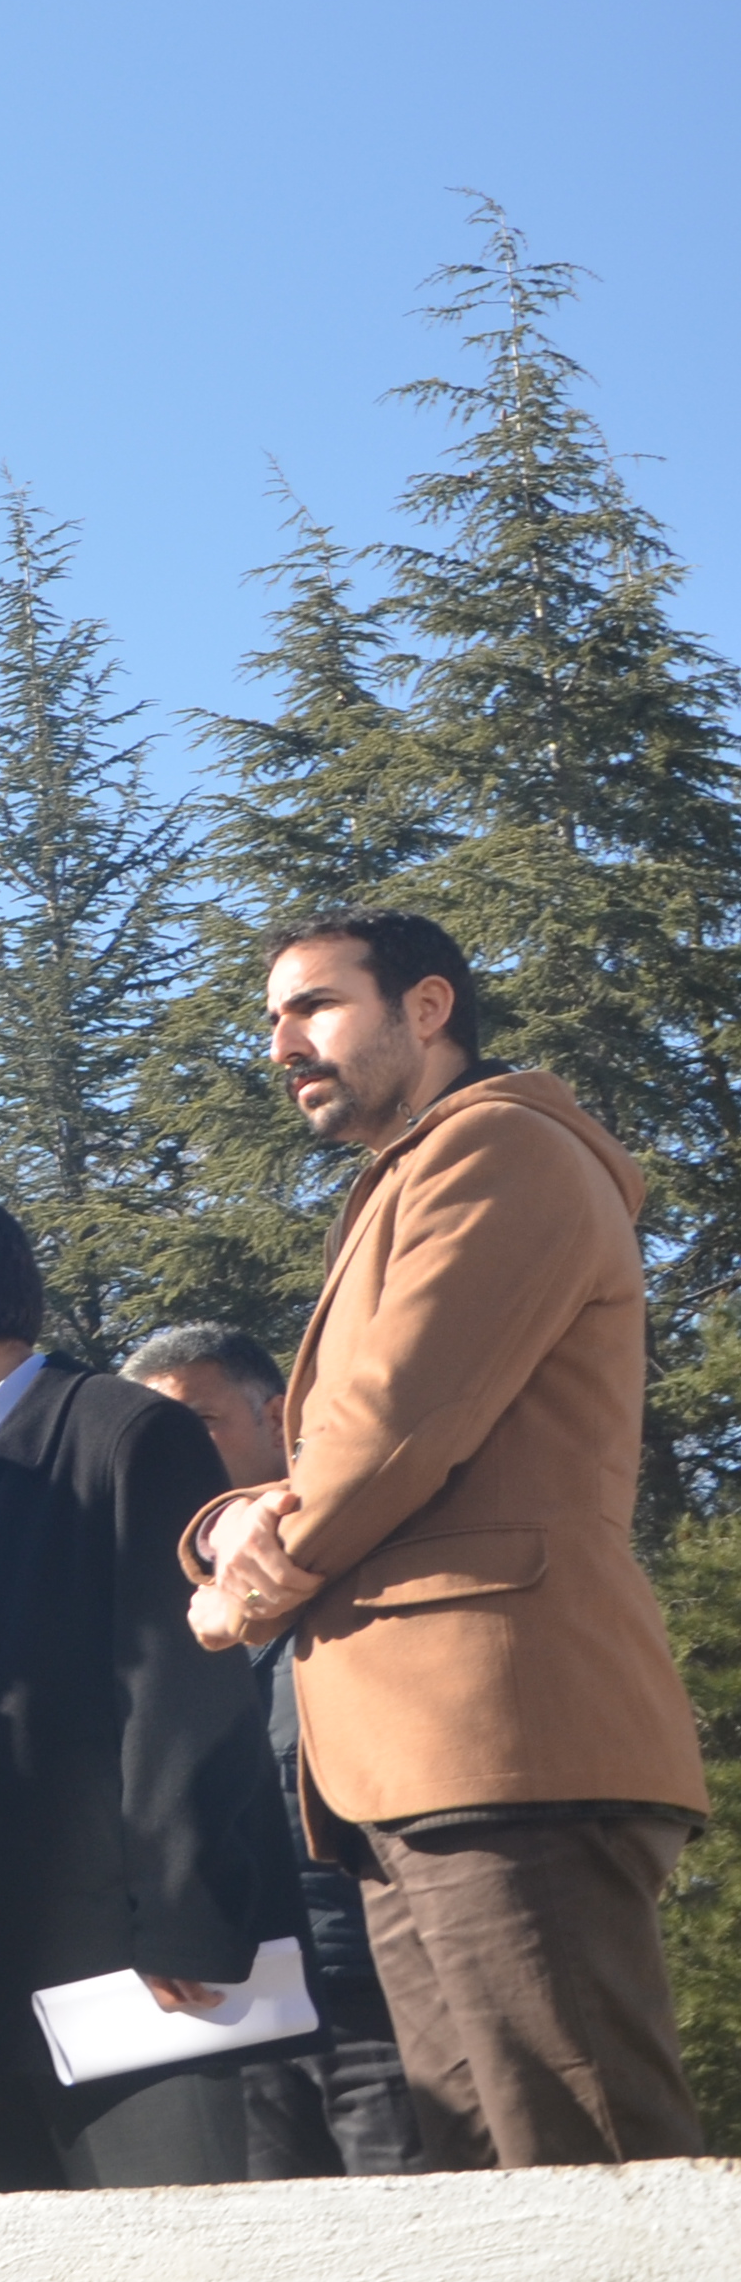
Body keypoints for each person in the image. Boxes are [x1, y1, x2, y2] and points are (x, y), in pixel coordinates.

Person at [182, 908, 707, 2167]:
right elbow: (332, 1453)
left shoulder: (501, 1150)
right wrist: (224, 1525)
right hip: (416, 1765)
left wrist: (240, 1587)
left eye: (313, 1006)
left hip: (504, 1743)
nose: (279, 1044)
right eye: (270, 1018)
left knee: (580, 2167)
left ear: (425, 1009)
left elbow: (391, 1424)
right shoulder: (415, 1174)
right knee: (486, 2183)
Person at [0, 1190, 292, 2192]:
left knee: (167, 2266)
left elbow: (176, 1688)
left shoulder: (124, 1434)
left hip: (129, 1963)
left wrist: (181, 1913)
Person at [124, 1318, 422, 2178]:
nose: (173, 1452)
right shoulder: (155, 1606)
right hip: (230, 2004)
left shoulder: (362, 1548)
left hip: (370, 1989)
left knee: (414, 2244)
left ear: (275, 1412)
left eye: (198, 1421)